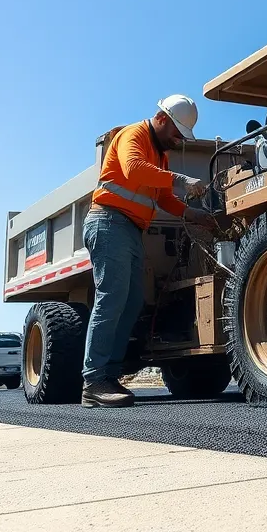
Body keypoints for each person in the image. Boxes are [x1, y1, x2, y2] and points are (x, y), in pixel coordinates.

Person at [81, 94, 214, 408]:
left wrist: (194, 215)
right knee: (112, 297)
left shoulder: (161, 156)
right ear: (163, 119)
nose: (178, 140)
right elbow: (133, 169)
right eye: (177, 133)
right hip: (108, 221)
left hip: (129, 228)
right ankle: (93, 380)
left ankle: (108, 376)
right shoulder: (134, 135)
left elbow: (164, 199)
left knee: (133, 301)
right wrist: (182, 180)